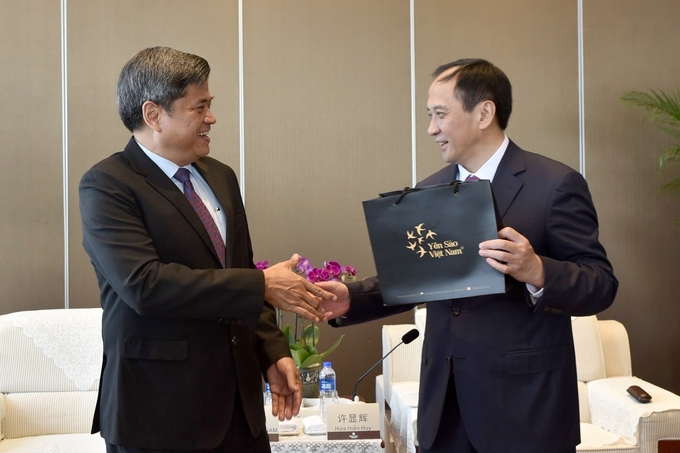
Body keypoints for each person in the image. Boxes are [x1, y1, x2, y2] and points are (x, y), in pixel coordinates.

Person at [318, 59, 618, 453]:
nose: (431, 128)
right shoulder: (428, 190)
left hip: (526, 411)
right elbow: (419, 276)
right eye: (429, 116)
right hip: (445, 411)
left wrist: (538, 270)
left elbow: (600, 283)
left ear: (484, 113)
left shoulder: (555, 185)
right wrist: (351, 298)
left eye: (440, 114)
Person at [79, 47, 336, 453]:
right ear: (153, 115)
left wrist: (272, 350)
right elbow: (144, 285)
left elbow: (242, 269)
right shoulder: (107, 185)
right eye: (199, 108)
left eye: (210, 105)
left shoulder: (220, 176)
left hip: (239, 410)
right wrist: (261, 285)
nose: (211, 118)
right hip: (158, 413)